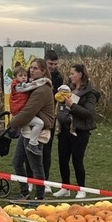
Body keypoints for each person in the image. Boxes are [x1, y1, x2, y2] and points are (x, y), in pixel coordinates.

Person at [9, 58, 54, 202]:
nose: (31, 70)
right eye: (31, 68)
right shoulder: (33, 86)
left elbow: (28, 111)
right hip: (28, 129)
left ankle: (39, 197)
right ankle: (24, 193)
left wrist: (13, 123)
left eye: (35, 68)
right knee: (17, 161)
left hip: (36, 132)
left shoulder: (41, 90)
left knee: (36, 166)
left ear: (43, 71)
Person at [53, 64, 101, 200]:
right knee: (63, 159)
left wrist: (72, 106)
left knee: (77, 160)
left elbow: (88, 113)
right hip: (65, 129)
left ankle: (81, 189)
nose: (70, 76)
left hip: (80, 131)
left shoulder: (90, 93)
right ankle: (65, 187)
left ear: (80, 74)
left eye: (72, 73)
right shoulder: (67, 88)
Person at [8, 65, 45, 155]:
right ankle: (33, 144)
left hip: (21, 112)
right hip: (20, 114)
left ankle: (27, 150)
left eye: (25, 75)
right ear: (15, 77)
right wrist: (44, 80)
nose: (24, 77)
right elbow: (30, 86)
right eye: (20, 76)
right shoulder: (18, 86)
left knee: (26, 131)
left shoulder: (21, 84)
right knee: (39, 123)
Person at [41, 49, 63, 190]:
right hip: (37, 116)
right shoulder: (38, 75)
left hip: (51, 117)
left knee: (46, 150)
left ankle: (46, 181)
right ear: (45, 62)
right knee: (33, 149)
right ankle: (33, 180)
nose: (53, 66)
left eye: (55, 64)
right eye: (50, 63)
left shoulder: (59, 78)